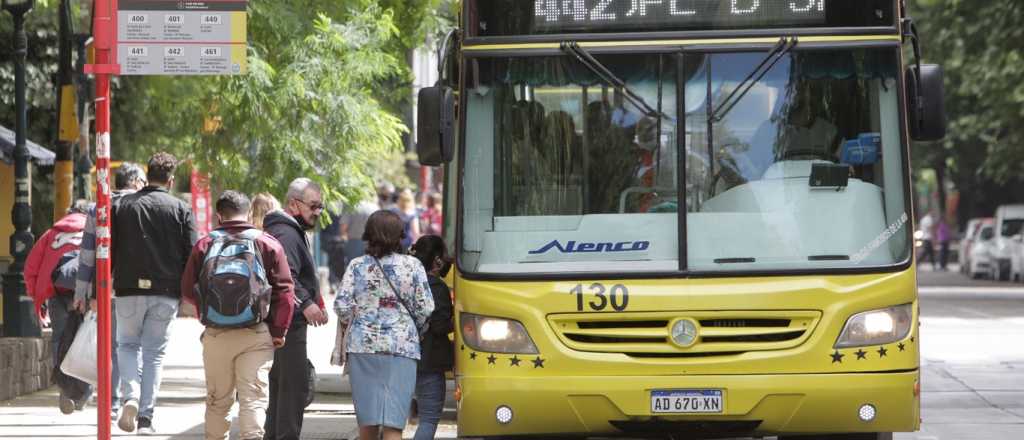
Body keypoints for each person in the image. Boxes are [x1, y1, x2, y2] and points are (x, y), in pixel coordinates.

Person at [181, 191, 297, 440]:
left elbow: (188, 290)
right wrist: (278, 331)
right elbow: (286, 291)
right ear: (248, 212)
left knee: (217, 401)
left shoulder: (205, 244)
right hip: (256, 333)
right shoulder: (267, 243)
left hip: (216, 335)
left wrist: (211, 314)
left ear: (220, 215)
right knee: (253, 399)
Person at [112, 152, 196, 434]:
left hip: (127, 289)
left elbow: (109, 248)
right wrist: (189, 296)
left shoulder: (122, 206)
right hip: (166, 291)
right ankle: (146, 419)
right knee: (154, 355)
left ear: (146, 176)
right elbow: (191, 254)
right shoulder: (181, 208)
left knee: (126, 346)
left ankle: (130, 396)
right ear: (171, 180)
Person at [335, 210, 434, 440]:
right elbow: (426, 308)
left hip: (362, 347)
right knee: (393, 425)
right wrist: (412, 328)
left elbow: (341, 305)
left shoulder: (357, 265)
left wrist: (360, 318)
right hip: (402, 347)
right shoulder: (413, 266)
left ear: (369, 234)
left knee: (367, 424)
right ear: (400, 235)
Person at [73, 162, 148, 419]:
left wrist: (81, 293)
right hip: (136, 287)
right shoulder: (143, 205)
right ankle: (129, 397)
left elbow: (87, 255)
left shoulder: (98, 209)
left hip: (103, 289)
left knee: (110, 346)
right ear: (137, 181)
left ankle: (112, 400)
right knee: (131, 345)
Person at [261, 178, 328, 440]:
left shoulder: (288, 230)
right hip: (288, 322)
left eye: (320, 206)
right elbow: (286, 277)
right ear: (293, 203)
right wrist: (308, 303)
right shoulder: (287, 233)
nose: (317, 212)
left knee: (284, 387)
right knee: (292, 389)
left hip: (285, 321)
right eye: (313, 206)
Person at [24, 200, 89, 414]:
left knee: (61, 339)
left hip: (57, 292)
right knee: (86, 341)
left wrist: (37, 295)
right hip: (88, 293)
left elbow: (31, 268)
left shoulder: (51, 234)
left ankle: (65, 388)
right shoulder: (94, 232)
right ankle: (82, 392)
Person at [410, 235, 454, 440]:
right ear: (437, 260)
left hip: (401, 358)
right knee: (428, 418)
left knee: (393, 419)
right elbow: (440, 326)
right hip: (429, 360)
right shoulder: (437, 287)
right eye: (444, 256)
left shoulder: (406, 281)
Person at [340, 198, 380, 279]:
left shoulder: (352, 207)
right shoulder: (375, 207)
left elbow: (344, 225)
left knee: (354, 267)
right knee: (370, 267)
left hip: (354, 241)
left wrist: (343, 236)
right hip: (371, 242)